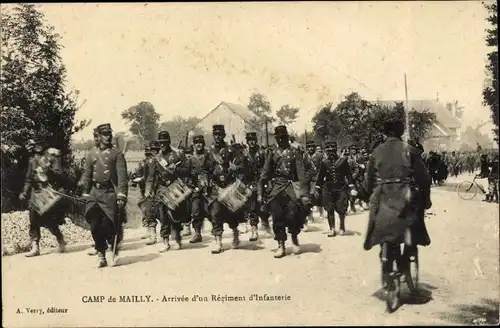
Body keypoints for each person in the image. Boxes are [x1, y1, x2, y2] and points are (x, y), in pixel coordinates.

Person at [363, 118, 432, 287]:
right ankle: (406, 258)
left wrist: (368, 195)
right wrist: (426, 198)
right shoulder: (410, 150)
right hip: (405, 195)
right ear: (401, 132)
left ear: (385, 133)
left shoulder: (376, 152)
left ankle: (384, 254)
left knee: (380, 224)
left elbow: (368, 180)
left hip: (383, 196)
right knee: (414, 226)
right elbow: (424, 178)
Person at [259, 125, 312, 258]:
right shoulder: (272, 153)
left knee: (293, 214)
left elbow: (301, 173)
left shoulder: (295, 152)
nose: (281, 140)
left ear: (287, 138)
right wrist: (261, 191)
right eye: (279, 138)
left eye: (283, 137)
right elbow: (265, 173)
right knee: (277, 216)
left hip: (291, 187)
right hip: (276, 188)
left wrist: (304, 193)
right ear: (276, 139)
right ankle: (281, 245)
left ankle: (294, 238)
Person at [81, 124, 128, 268]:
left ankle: (112, 252)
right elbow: (87, 175)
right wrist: (85, 192)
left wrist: (121, 195)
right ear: (99, 136)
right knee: (94, 226)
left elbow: (122, 176)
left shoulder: (116, 153)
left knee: (109, 225)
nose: (108, 137)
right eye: (105, 134)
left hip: (109, 194)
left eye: (109, 134)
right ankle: (100, 254)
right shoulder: (92, 153)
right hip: (95, 194)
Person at [19, 135, 68, 257]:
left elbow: (59, 174)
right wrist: (25, 192)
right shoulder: (33, 161)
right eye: (36, 145)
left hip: (50, 192)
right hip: (36, 193)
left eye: (40, 145)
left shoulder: (52, 158)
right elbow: (29, 179)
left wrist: (48, 169)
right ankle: (35, 245)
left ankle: (59, 238)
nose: (38, 148)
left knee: (48, 220)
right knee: (33, 217)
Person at [145, 131, 190, 252]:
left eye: (164, 142)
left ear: (169, 142)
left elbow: (187, 171)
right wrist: (148, 189)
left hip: (175, 186)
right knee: (162, 215)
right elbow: (151, 176)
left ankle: (177, 239)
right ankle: (165, 241)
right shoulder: (156, 158)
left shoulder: (178, 155)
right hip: (161, 188)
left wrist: (177, 169)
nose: (162, 145)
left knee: (174, 214)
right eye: (160, 143)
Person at [205, 125, 246, 254]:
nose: (217, 137)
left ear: (223, 135)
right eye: (215, 134)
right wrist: (204, 178)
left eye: (220, 134)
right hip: (216, 187)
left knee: (231, 215)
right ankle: (218, 243)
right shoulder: (209, 152)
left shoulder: (231, 150)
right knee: (215, 214)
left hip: (229, 186)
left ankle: (235, 234)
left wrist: (236, 167)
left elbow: (242, 165)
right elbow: (204, 169)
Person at [313, 140, 356, 237]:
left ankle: (342, 226)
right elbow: (320, 177)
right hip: (328, 188)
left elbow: (348, 175)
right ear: (326, 152)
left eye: (333, 150)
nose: (331, 153)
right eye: (329, 151)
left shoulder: (343, 161)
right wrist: (317, 188)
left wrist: (352, 187)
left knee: (342, 208)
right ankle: (332, 228)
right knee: (329, 209)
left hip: (341, 187)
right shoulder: (324, 163)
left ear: (336, 150)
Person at [242, 131, 270, 241]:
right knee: (251, 208)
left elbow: (267, 168)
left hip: (262, 182)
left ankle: (266, 225)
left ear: (256, 140)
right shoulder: (245, 154)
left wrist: (265, 181)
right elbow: (243, 170)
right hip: (250, 183)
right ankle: (254, 231)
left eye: (253, 140)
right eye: (249, 140)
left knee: (263, 206)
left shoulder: (262, 152)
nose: (251, 142)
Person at [186, 135, 210, 243]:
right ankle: (197, 233)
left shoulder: (208, 155)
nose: (198, 145)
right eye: (196, 143)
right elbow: (188, 174)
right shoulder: (191, 159)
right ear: (193, 145)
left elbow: (213, 170)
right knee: (195, 210)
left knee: (210, 210)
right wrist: (191, 185)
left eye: (200, 142)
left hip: (208, 187)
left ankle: (217, 230)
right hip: (196, 188)